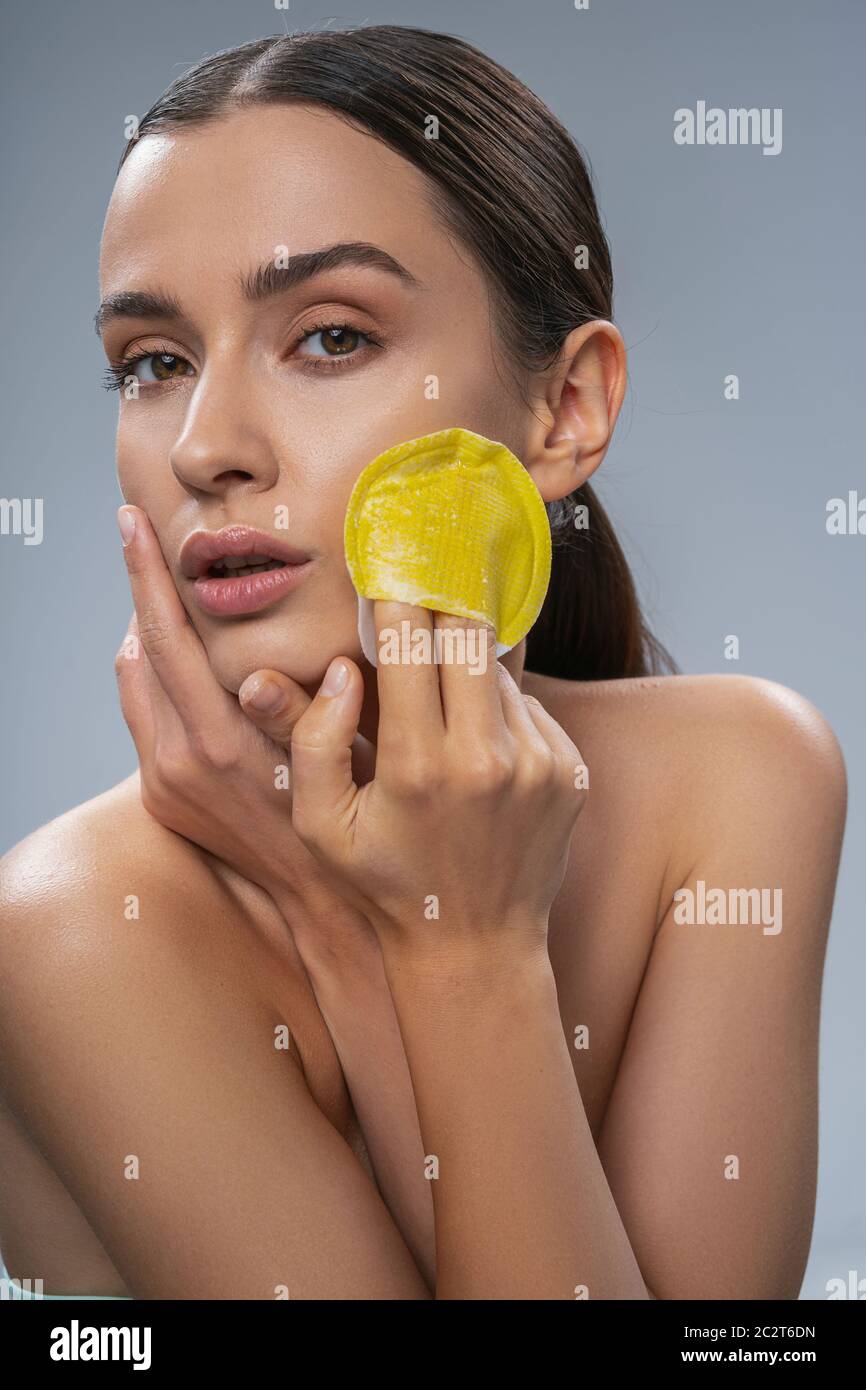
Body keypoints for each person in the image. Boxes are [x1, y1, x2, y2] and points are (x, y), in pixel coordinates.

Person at [0, 26, 846, 1300]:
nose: (203, 446)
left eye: (330, 337)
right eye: (154, 363)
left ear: (565, 409)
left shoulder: (738, 778)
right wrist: (444, 946)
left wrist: (383, 932)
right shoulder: (71, 926)